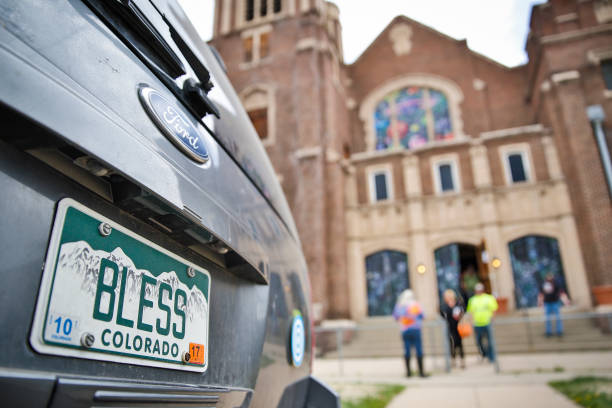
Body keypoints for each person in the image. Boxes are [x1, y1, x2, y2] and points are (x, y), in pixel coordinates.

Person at [393, 289, 428, 377]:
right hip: (416, 329)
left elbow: (396, 317)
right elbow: (423, 315)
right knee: (418, 350)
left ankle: (408, 372)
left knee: (407, 350)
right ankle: (421, 372)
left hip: (405, 330)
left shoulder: (400, 305)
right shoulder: (415, 305)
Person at [466, 283, 498, 363]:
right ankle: (484, 354)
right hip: (477, 324)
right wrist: (471, 322)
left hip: (487, 322)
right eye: (477, 290)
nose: (478, 292)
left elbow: (494, 309)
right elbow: (470, 312)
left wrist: (492, 319)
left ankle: (491, 357)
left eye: (480, 290)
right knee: (478, 341)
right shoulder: (472, 300)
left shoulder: (489, 298)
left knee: (489, 340)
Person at [440, 289, 465, 368]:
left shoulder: (458, 304)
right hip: (449, 327)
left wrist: (459, 315)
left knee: (459, 344)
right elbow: (442, 314)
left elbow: (462, 312)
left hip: (458, 326)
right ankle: (453, 359)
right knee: (451, 344)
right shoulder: (444, 306)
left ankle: (462, 360)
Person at [538, 272, 569, 337]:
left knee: (558, 317)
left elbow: (561, 292)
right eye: (548, 276)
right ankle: (548, 331)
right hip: (547, 302)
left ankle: (559, 331)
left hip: (555, 302)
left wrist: (565, 301)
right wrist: (540, 302)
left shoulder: (556, 283)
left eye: (550, 276)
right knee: (547, 318)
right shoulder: (543, 284)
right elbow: (541, 294)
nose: (549, 277)